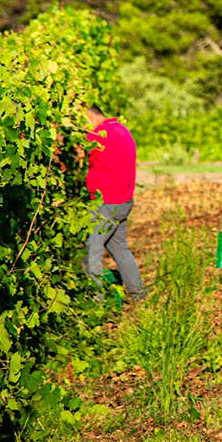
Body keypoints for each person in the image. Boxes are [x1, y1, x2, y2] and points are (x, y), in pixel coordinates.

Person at [84, 103, 145, 303]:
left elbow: (76, 152)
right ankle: (139, 295)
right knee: (119, 248)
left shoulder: (100, 134)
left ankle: (96, 301)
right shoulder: (121, 130)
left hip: (106, 205)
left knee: (92, 251)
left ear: (89, 117)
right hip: (124, 202)